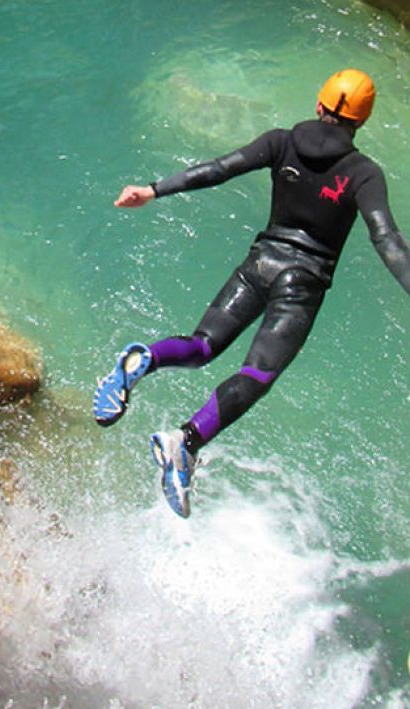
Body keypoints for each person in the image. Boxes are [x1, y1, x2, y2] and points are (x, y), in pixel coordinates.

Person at [93, 69, 410, 519]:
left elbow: (219, 169)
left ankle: (142, 359)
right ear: (362, 120)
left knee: (202, 346)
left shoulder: (280, 142)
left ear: (319, 104)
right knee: (257, 374)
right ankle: (184, 441)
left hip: (258, 265)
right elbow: (388, 240)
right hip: (301, 284)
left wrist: (153, 190)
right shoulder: (363, 174)